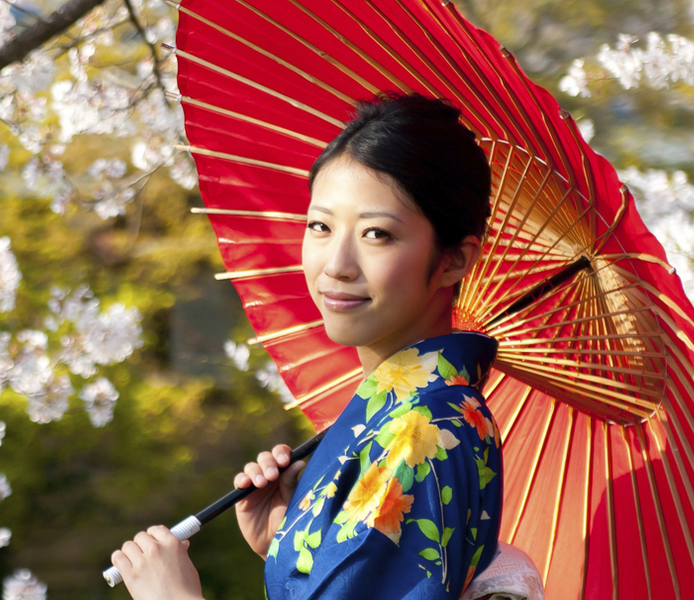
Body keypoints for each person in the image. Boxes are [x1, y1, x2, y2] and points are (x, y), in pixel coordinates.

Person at [110, 92, 507, 600]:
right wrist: (290, 545)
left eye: (377, 234)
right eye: (320, 226)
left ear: (453, 260)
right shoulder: (405, 414)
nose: (336, 263)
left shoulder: (421, 430)